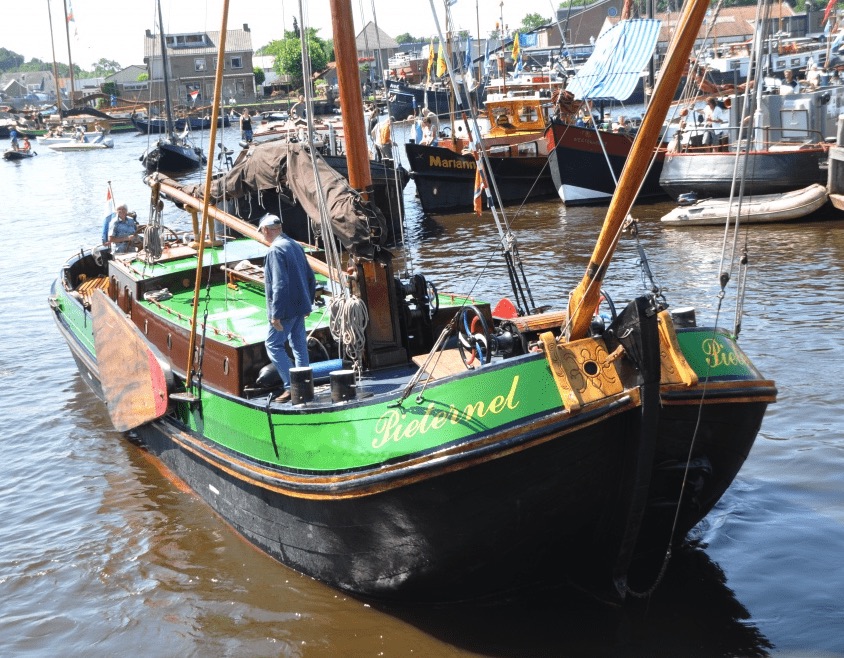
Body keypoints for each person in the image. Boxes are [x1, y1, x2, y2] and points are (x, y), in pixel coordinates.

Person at [259, 213, 316, 404]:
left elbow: (279, 285)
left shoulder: (275, 251)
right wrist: (309, 303)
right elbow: (310, 276)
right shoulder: (295, 245)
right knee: (299, 346)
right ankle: (304, 385)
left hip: (286, 310)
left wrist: (275, 314)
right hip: (300, 306)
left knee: (273, 345)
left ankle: (291, 386)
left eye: (262, 232)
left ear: (266, 230)